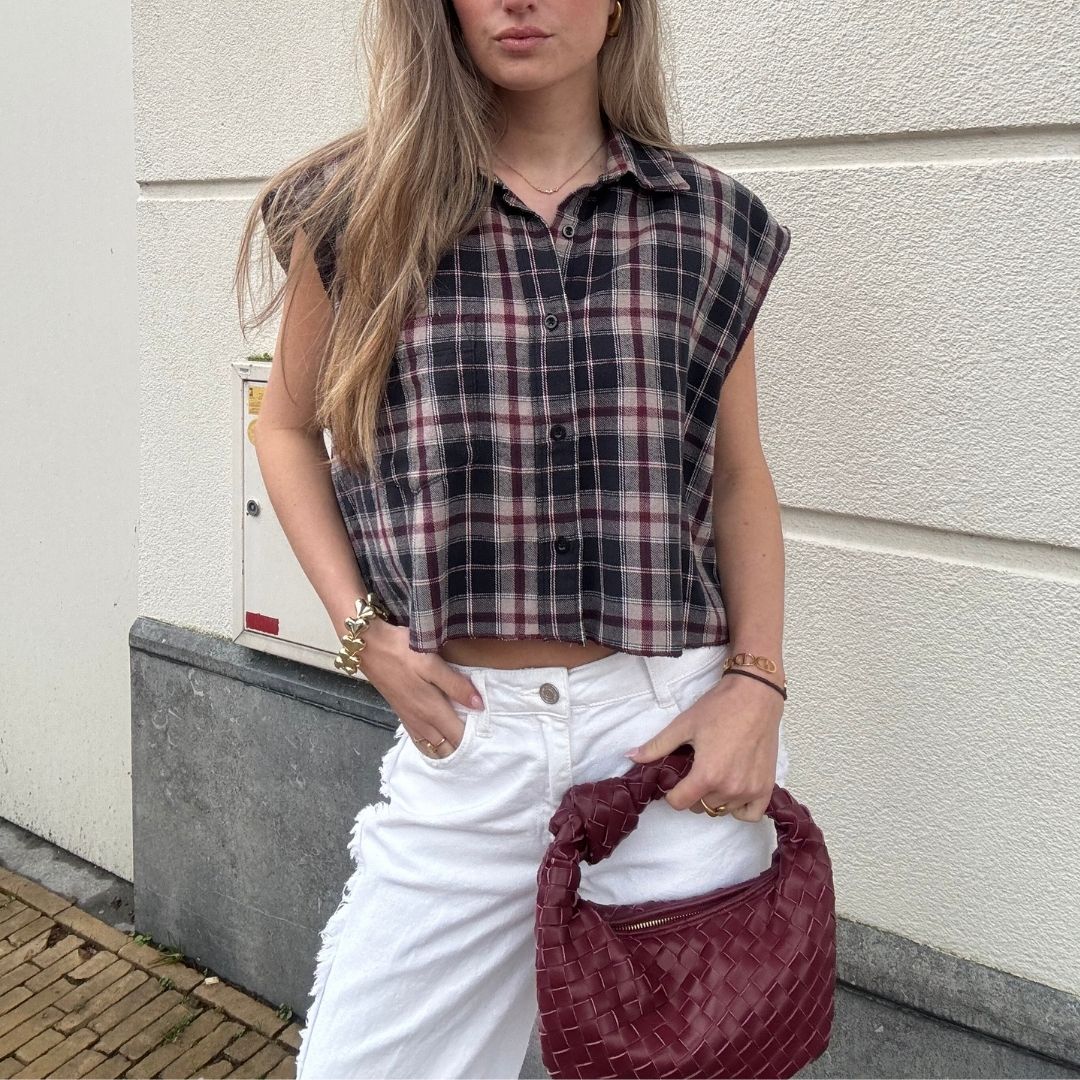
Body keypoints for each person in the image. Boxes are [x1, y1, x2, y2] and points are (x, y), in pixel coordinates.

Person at [235, 0, 794, 1076]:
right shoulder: (356, 210)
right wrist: (362, 633)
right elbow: (286, 430)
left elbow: (738, 475)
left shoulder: (706, 221)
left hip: (666, 727)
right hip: (468, 733)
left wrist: (756, 684)